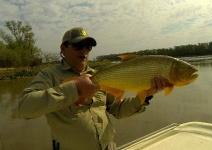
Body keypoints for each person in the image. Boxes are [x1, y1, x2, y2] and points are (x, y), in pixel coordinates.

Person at [17, 27, 173, 150]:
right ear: (63, 48)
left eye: (88, 46)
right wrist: (75, 89)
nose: (84, 50)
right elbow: (24, 108)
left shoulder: (101, 75)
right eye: (78, 45)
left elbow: (117, 110)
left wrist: (146, 96)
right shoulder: (49, 75)